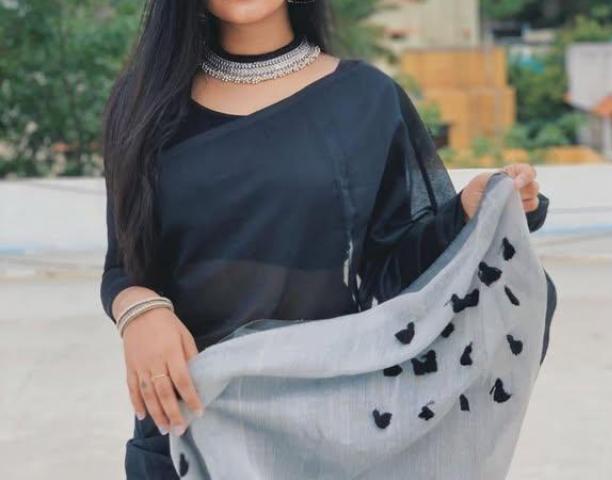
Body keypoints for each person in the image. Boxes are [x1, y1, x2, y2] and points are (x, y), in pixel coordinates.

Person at [99, 1, 549, 478]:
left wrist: (468, 212)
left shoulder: (365, 99)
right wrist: (139, 312)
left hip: (318, 428)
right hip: (185, 420)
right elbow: (123, 265)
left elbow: (394, 272)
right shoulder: (146, 102)